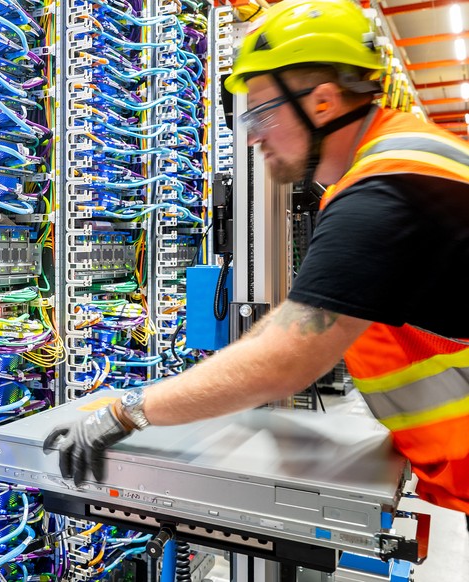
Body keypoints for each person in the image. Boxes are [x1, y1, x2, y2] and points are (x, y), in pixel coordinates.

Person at [44, 0, 469, 516]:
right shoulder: (403, 160)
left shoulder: (386, 190)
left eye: (263, 113)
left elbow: (285, 358)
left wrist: (124, 412)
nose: (252, 135)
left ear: (322, 103)